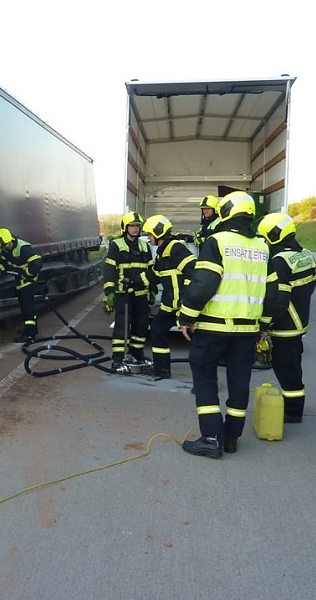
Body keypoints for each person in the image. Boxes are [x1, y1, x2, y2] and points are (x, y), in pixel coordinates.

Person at [179, 191, 270, 458]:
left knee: (205, 375)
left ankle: (210, 437)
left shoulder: (216, 241)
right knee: (239, 381)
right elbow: (270, 289)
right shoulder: (263, 246)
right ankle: (231, 438)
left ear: (225, 212)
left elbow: (204, 283)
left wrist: (186, 316)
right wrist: (263, 324)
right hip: (247, 328)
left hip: (214, 326)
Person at [257, 212, 316, 423]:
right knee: (292, 366)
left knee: (285, 367)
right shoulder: (306, 254)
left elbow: (278, 300)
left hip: (285, 325)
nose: (264, 242)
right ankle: (294, 405)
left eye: (265, 237)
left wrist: (264, 324)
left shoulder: (279, 261)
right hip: (299, 320)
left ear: (274, 236)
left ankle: (293, 412)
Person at [142, 214, 196, 379]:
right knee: (158, 330)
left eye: (150, 234)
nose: (149, 237)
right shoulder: (162, 252)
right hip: (170, 305)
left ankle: (204, 375)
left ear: (158, 233)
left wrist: (186, 298)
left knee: (196, 338)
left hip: (182, 305)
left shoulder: (175, 248)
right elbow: (155, 275)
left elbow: (193, 270)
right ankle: (161, 369)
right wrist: (133, 283)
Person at [103, 212, 154, 370]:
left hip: (141, 293)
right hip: (123, 293)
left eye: (137, 226)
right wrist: (109, 292)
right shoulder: (116, 245)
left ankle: (137, 353)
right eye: (132, 226)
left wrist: (152, 288)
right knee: (122, 326)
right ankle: (117, 359)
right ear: (125, 228)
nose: (135, 229)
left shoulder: (145, 246)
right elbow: (110, 268)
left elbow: (150, 268)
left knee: (141, 325)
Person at [0, 228, 43, 343]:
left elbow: (37, 262)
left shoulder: (23, 248)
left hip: (27, 282)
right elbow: (4, 263)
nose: (6, 247)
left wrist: (27, 274)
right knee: (26, 308)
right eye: (3, 246)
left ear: (12, 239)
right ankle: (32, 330)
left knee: (27, 308)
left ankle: (30, 336)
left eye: (7, 244)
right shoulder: (6, 250)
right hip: (19, 282)